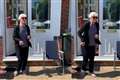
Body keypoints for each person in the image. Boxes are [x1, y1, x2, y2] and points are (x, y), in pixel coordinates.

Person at [78, 12, 101, 77]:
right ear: (90, 18)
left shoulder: (97, 24)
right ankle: (83, 70)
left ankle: (91, 71)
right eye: (94, 17)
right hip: (85, 44)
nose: (95, 19)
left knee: (92, 59)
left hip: (93, 44)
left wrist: (97, 36)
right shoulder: (86, 24)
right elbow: (79, 33)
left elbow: (96, 33)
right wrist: (82, 40)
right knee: (85, 58)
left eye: (96, 17)